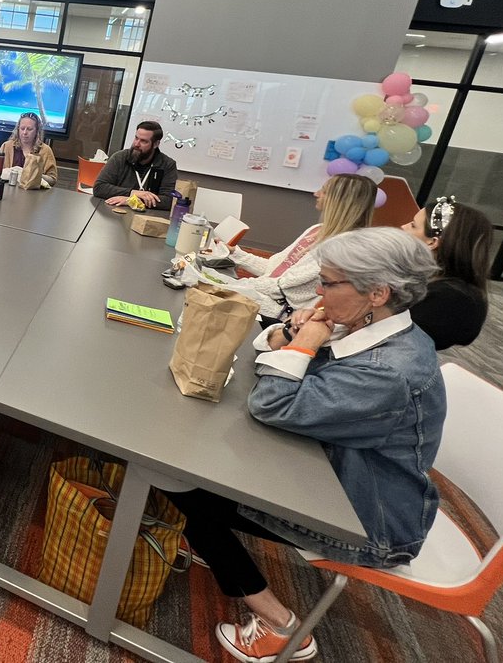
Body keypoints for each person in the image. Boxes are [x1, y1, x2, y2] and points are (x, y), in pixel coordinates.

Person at [167, 228, 443, 663]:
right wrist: (289, 336)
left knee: (183, 482)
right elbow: (280, 365)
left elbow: (272, 403)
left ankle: (280, 626)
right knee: (195, 465)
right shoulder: (373, 326)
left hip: (369, 521)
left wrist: (304, 344)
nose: (318, 292)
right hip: (337, 473)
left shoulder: (388, 371)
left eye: (329, 283)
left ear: (377, 292)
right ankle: (206, 541)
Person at [223, 173, 376, 322]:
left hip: (276, 314)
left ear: (339, 200)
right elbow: (274, 269)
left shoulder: (342, 248)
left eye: (323, 191)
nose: (316, 194)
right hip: (260, 297)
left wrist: (231, 284)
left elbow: (281, 288)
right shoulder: (316, 230)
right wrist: (235, 253)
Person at [401, 195, 492, 350]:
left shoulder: (451, 299)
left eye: (413, 225)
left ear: (432, 242)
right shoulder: (427, 280)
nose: (403, 227)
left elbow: (398, 344)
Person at [92, 120, 177, 209]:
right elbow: (99, 188)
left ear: (156, 144)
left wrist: (131, 200)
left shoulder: (167, 165)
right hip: (114, 210)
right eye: (136, 138)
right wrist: (132, 193)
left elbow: (169, 200)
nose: (136, 144)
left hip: (147, 214)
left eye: (143, 141)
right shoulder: (119, 158)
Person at [0, 111, 58, 190]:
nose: (25, 132)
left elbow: (52, 180)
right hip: (8, 191)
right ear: (18, 129)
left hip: (34, 194)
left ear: (37, 131)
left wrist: (35, 176)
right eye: (22, 128)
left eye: (29, 129)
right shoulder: (7, 146)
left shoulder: (45, 150)